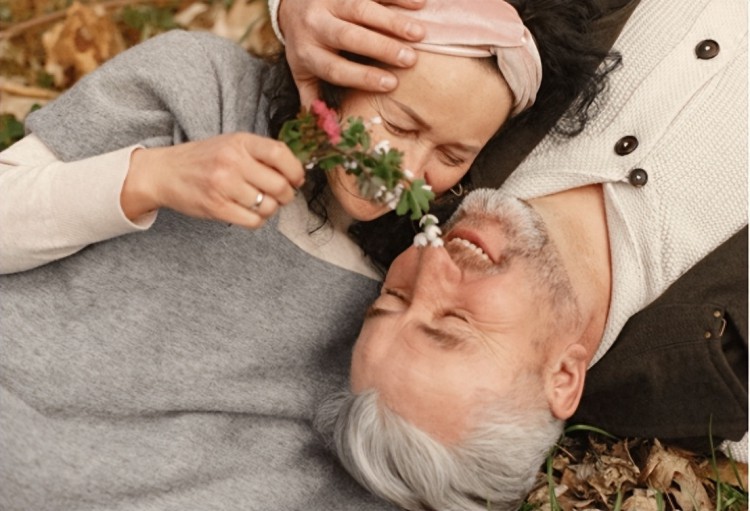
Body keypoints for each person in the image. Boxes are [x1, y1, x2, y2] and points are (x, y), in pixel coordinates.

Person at [0, 1, 615, 510]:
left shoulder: (400, 293)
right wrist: (150, 179)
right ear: (334, 74)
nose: (405, 172)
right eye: (397, 126)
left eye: (450, 155)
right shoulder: (202, 93)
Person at [313, 0, 748, 509]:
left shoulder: (438, 142)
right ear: (562, 377)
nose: (430, 263)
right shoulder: (723, 371)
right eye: (454, 322)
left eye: (393, 297)